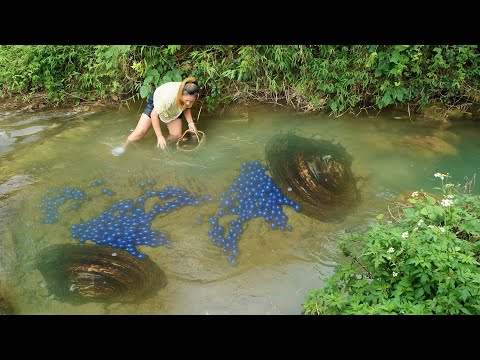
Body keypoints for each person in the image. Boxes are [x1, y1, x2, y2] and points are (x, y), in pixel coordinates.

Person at [119, 76, 200, 153]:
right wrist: (159, 136)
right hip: (158, 101)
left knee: (176, 136)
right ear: (181, 95)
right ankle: (124, 145)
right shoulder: (168, 98)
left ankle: (160, 148)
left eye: (191, 101)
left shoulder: (189, 92)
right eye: (186, 100)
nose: (188, 103)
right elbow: (154, 115)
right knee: (140, 132)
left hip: (175, 107)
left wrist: (191, 123)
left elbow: (187, 107)